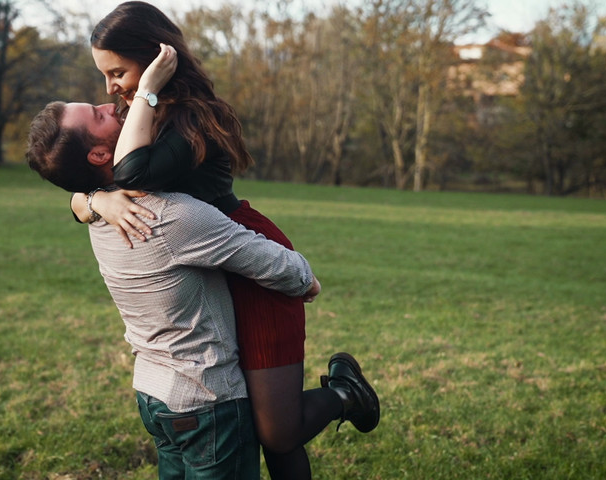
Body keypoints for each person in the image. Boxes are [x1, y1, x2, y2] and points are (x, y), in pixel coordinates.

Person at [67, 3, 379, 479]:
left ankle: (344, 393)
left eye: (118, 72)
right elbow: (86, 180)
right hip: (202, 268)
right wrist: (93, 201)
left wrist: (147, 89)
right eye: (105, 76)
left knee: (278, 432)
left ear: (155, 59)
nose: (111, 88)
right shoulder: (136, 112)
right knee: (251, 420)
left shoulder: (192, 116)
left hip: (246, 255)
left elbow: (131, 174)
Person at [26, 100, 323, 478]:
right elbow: (272, 262)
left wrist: (92, 197)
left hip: (154, 397)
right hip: (206, 402)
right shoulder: (171, 215)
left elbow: (82, 200)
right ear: (99, 153)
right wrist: (305, 279)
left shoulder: (98, 216)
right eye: (98, 115)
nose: (110, 104)